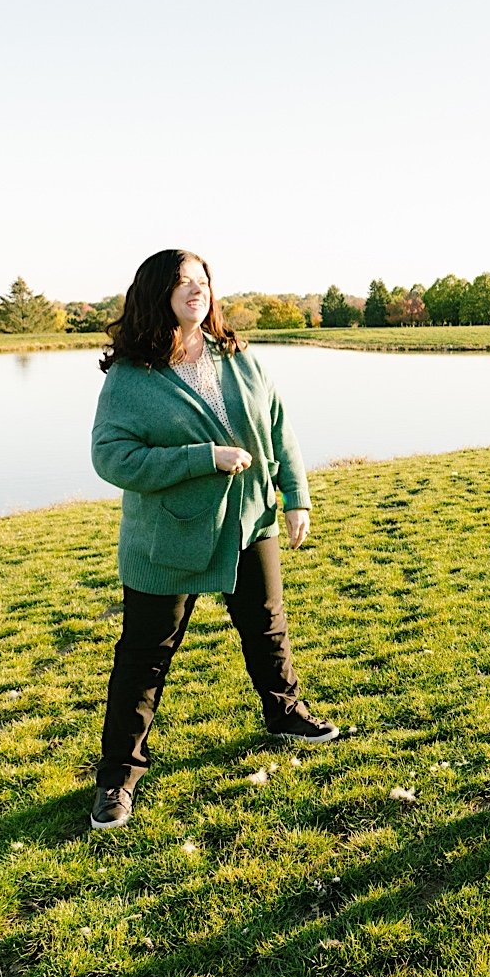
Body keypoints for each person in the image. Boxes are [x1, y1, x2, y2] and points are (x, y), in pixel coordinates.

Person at [86, 248, 340, 831]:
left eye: (202, 282)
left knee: (266, 623)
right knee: (145, 658)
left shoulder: (238, 355)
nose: (196, 291)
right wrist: (204, 459)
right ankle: (117, 778)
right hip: (167, 538)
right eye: (183, 283)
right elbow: (111, 457)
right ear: (157, 294)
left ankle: (285, 714)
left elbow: (279, 424)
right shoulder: (132, 376)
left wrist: (295, 494)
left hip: (251, 521)